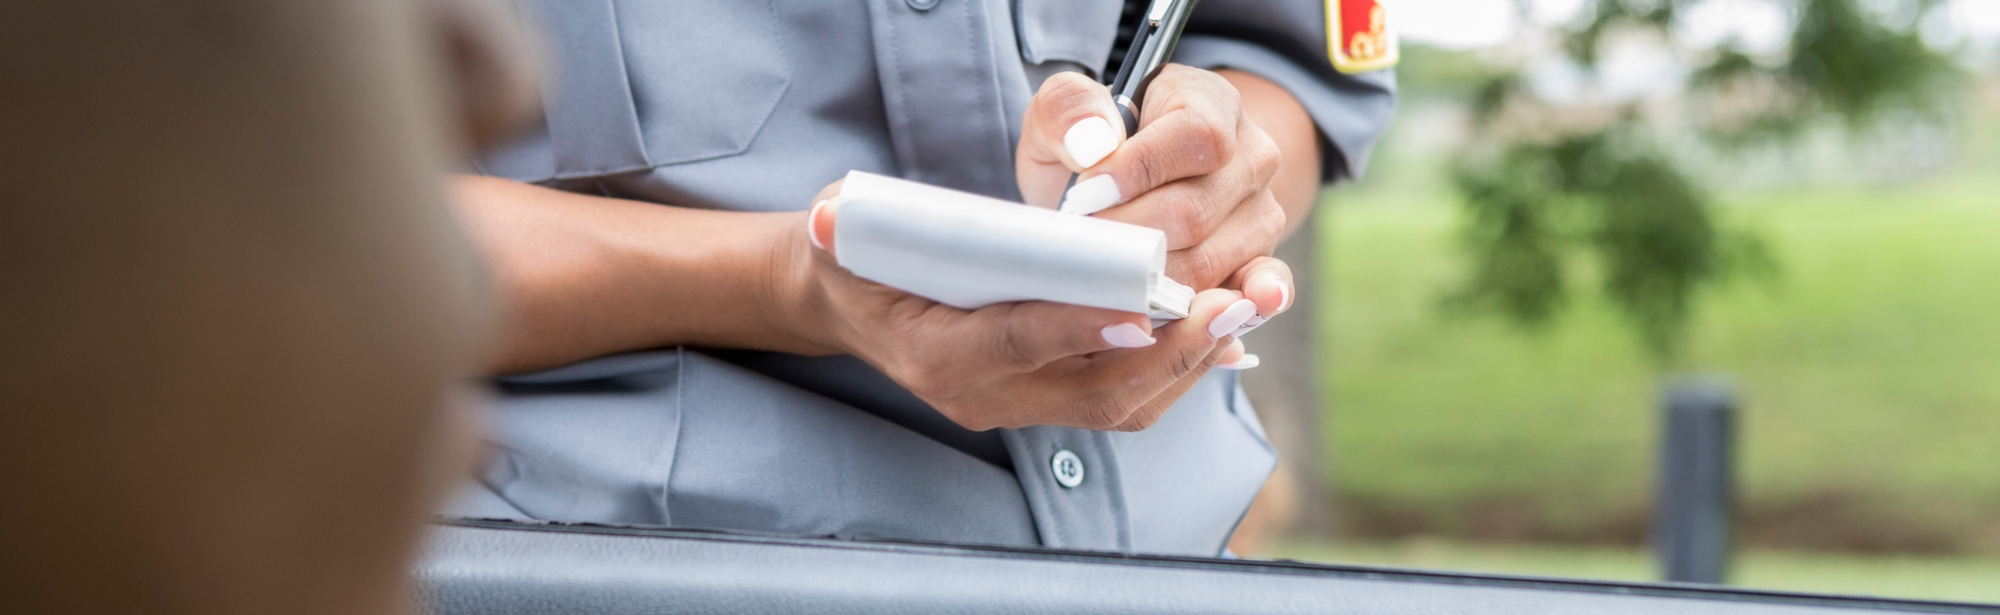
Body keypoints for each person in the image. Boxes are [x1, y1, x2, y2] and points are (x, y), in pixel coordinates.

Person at [444, 0, 1396, 556]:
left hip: (1178, 549)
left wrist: (1199, 187)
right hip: (637, 560)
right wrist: (786, 281)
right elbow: (313, 230)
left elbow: (1285, 60)